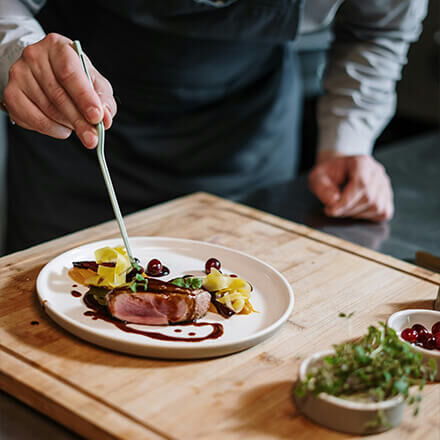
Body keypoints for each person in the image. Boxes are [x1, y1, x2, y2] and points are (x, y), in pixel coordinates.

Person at [0, 0, 428, 253]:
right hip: (70, 124)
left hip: (248, 130)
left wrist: (348, 140)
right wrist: (16, 49)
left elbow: (378, 29)